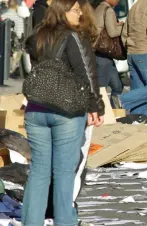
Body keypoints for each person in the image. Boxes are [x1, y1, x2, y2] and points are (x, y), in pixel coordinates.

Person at [23, 0, 105, 224]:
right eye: (75, 10)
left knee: (39, 170)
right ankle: (65, 221)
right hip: (66, 111)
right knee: (63, 173)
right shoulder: (72, 37)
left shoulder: (37, 35)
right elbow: (86, 72)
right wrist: (95, 105)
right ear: (62, 12)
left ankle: (31, 222)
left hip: (36, 110)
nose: (80, 14)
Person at [94, 0, 124, 109]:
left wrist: (117, 24)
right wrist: (124, 27)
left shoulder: (99, 7)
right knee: (102, 87)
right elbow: (112, 32)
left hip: (99, 52)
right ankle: (100, 114)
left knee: (117, 86)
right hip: (104, 53)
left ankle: (115, 112)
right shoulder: (109, 10)